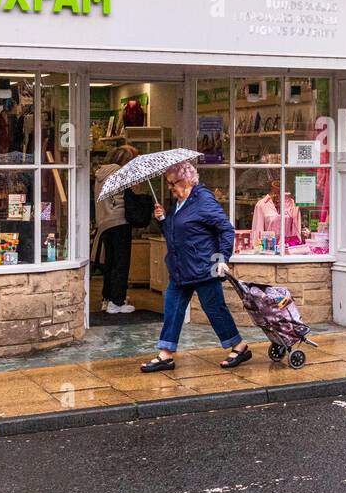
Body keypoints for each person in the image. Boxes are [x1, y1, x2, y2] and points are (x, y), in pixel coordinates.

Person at [141, 161, 251, 372]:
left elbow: (226, 230)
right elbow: (175, 234)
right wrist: (163, 220)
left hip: (203, 266)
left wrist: (222, 259)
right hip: (180, 268)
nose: (170, 188)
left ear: (185, 180)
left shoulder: (203, 200)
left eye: (172, 184)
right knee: (172, 309)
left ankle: (239, 346)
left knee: (214, 309)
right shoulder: (180, 203)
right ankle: (166, 355)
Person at [93, 144, 142, 315]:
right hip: (119, 221)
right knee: (121, 263)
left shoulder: (101, 173)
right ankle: (117, 301)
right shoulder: (121, 173)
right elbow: (133, 195)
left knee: (110, 262)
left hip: (104, 222)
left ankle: (107, 298)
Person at [251, 172, 307, 250]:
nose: (278, 184)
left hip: (288, 248)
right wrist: (258, 250)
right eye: (275, 182)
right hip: (268, 249)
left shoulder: (291, 203)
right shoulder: (262, 205)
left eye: (280, 182)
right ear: (271, 185)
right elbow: (257, 231)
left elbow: (296, 229)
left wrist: (297, 245)